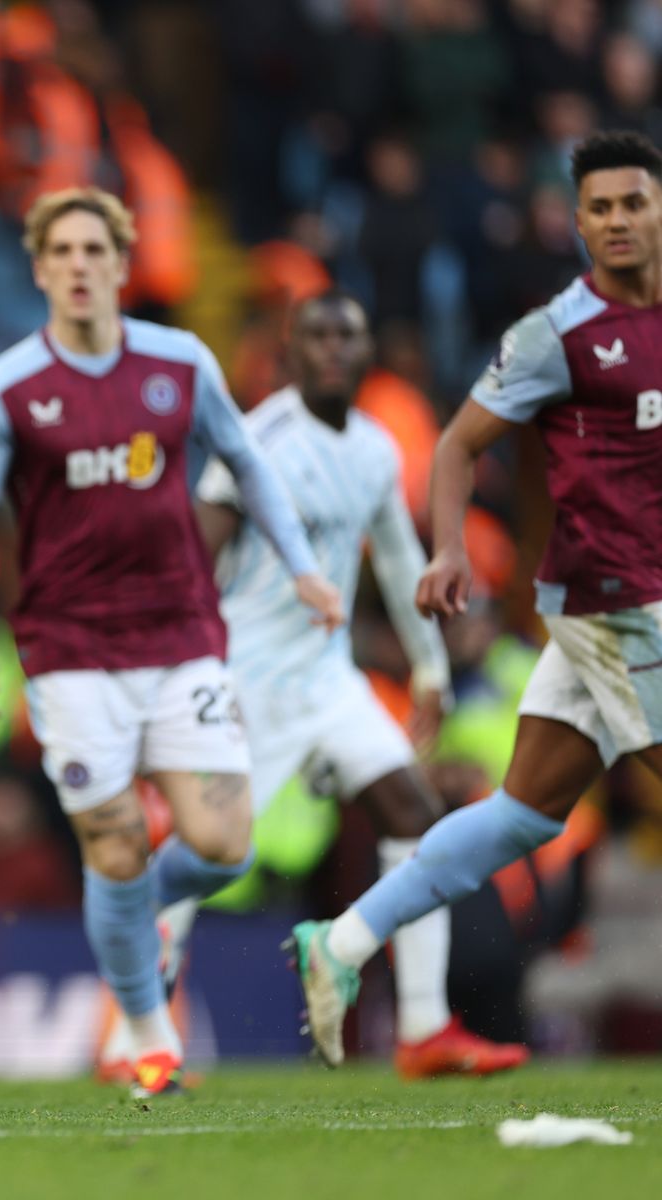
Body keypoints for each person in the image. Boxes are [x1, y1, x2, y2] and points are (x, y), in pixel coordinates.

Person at [0, 187, 342, 1100]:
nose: (80, 266)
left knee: (225, 845)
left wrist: (304, 566)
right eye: (62, 252)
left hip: (181, 640)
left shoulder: (181, 364)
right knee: (114, 846)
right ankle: (149, 1035)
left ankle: (143, 917)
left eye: (96, 250)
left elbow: (247, 464)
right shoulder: (7, 389)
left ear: (122, 265)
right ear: (40, 269)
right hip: (70, 656)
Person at [291, 130, 662, 1067]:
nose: (618, 220)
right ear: (577, 224)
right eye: (601, 207)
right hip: (608, 601)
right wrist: (450, 545)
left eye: (635, 202)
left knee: (524, 816)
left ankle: (340, 943)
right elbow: (456, 444)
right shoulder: (556, 333)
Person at [103, 290, 524, 1080]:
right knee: (205, 854)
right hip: (250, 681)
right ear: (290, 352)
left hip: (329, 679)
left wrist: (430, 666)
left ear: (369, 353)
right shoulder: (256, 440)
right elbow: (196, 553)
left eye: (348, 337)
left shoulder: (373, 446)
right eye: (318, 337)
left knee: (415, 811)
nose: (334, 350)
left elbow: (399, 556)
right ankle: (128, 1035)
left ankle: (424, 1027)